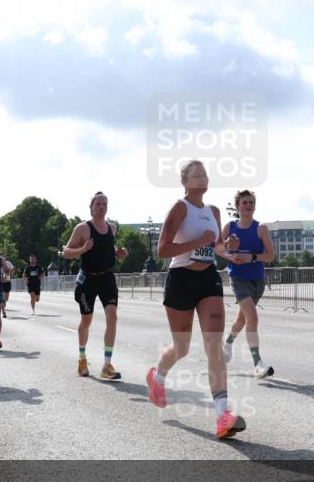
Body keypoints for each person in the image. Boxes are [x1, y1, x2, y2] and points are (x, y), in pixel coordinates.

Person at [145, 160, 246, 440]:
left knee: (213, 345)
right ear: (185, 182)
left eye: (205, 173)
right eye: (196, 174)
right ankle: (158, 377)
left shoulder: (213, 211)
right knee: (182, 347)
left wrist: (228, 249)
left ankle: (223, 414)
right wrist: (197, 241)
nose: (203, 177)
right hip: (181, 279)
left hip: (208, 280)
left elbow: (216, 246)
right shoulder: (179, 208)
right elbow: (163, 249)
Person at [61, 191, 128, 380]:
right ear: (91, 206)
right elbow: (66, 252)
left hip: (107, 278)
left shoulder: (112, 227)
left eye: (105, 203)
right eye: (98, 203)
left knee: (112, 316)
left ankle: (107, 365)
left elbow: (109, 248)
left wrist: (119, 253)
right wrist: (83, 249)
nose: (102, 206)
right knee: (86, 321)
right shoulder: (82, 228)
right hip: (88, 280)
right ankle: (82, 358)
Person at [220, 190, 275, 378]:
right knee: (253, 317)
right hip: (238, 277)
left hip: (257, 280)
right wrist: (229, 252)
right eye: (244, 202)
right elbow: (217, 248)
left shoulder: (261, 229)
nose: (248, 205)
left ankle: (227, 343)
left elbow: (270, 255)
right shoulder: (230, 227)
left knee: (242, 320)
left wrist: (250, 256)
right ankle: (257, 363)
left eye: (251, 202)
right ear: (238, 207)